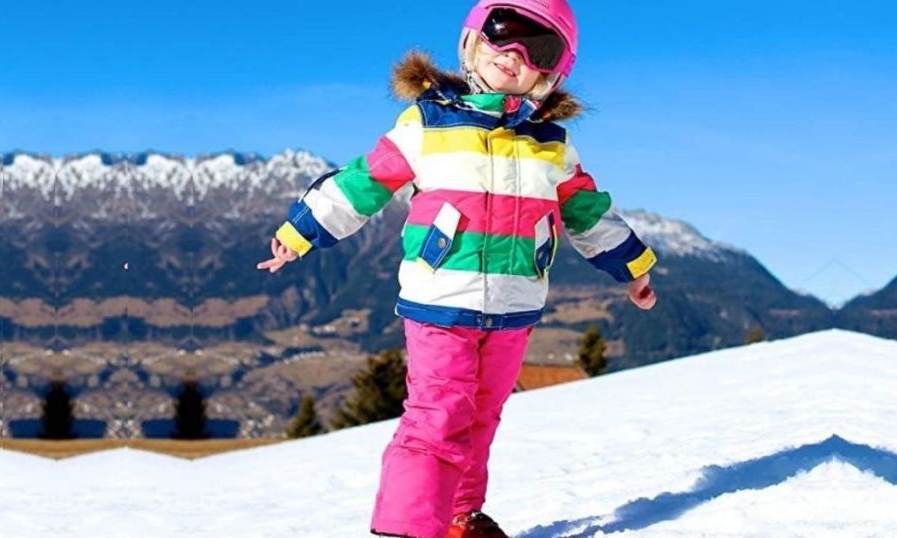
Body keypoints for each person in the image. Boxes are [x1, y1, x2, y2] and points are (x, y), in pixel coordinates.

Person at [257, 1, 658, 536]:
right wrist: (301, 231)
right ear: (473, 40)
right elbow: (364, 182)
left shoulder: (551, 145)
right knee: (437, 417)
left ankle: (459, 516)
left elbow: (586, 211)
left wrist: (631, 266)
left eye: (538, 47)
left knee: (481, 418)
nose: (515, 53)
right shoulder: (428, 123)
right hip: (442, 301)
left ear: (553, 69)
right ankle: (409, 526)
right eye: (505, 32)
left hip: (515, 308)